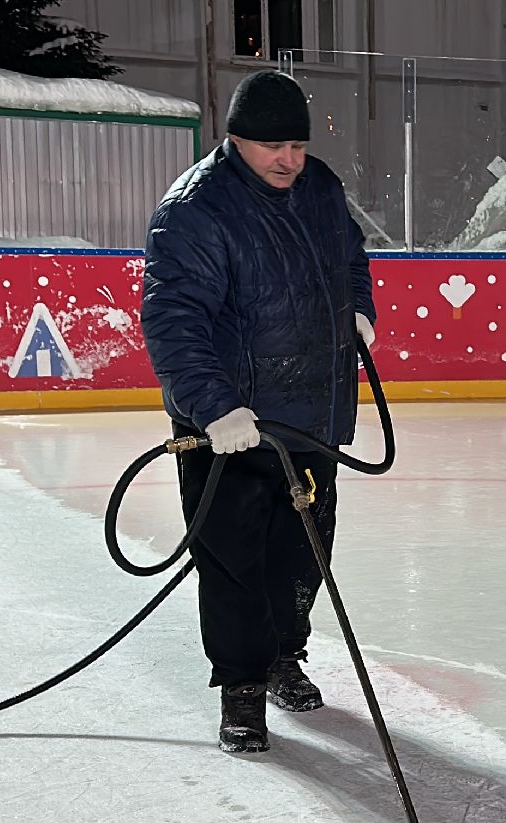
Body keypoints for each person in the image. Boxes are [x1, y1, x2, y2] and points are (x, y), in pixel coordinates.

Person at [142, 71, 377, 754]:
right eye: (273, 146)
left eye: (298, 145)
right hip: (233, 431)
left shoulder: (320, 187)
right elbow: (174, 320)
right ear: (236, 139)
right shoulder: (196, 208)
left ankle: (281, 656)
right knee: (234, 561)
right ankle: (241, 686)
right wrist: (215, 410)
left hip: (311, 414)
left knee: (302, 553)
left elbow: (350, 258)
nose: (289, 160)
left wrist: (359, 310)